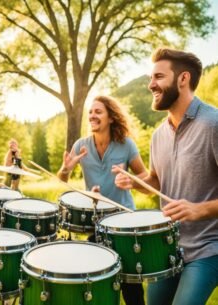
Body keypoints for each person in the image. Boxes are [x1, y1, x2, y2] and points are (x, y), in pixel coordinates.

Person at [114, 47, 218, 305]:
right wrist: (138, 183)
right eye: (151, 78)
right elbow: (157, 182)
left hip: (208, 247)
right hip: (166, 247)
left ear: (183, 79)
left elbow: (199, 209)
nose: (151, 84)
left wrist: (199, 210)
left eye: (158, 77)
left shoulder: (213, 124)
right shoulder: (158, 135)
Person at [57, 95, 148, 305]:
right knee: (96, 282)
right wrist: (66, 169)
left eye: (98, 111)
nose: (92, 115)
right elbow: (62, 179)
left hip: (124, 224)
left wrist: (131, 180)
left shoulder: (126, 145)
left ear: (111, 118)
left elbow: (145, 178)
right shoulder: (81, 145)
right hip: (96, 223)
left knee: (130, 284)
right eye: (90, 112)